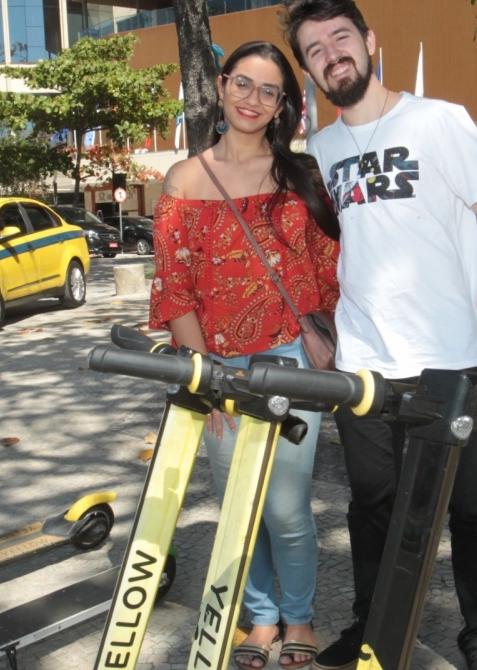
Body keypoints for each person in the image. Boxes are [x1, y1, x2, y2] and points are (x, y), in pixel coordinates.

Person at [280, 2, 477, 669]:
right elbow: (327, 255)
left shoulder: (438, 120)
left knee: (469, 509)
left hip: (451, 356)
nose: (332, 55)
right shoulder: (322, 152)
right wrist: (315, 324)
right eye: (315, 50)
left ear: (369, 41)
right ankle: (371, 628)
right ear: (310, 71)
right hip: (363, 363)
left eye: (340, 38)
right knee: (373, 507)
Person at [148, 40, 342, 670]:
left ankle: (300, 615)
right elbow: (174, 286)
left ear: (283, 104)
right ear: (222, 86)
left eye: (269, 91)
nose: (253, 99)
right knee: (240, 505)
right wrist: (202, 376)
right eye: (243, 84)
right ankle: (258, 619)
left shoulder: (301, 176)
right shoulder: (183, 180)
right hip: (219, 367)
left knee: (285, 506)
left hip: (289, 359)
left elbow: (329, 269)